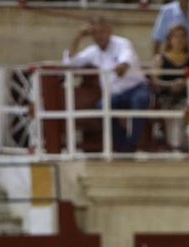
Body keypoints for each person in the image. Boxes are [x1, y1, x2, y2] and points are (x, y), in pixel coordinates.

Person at [63, 17, 152, 152]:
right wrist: (78, 37)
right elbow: (70, 63)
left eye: (102, 32)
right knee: (102, 107)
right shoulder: (93, 51)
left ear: (109, 31)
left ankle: (134, 142)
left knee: (140, 100)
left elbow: (126, 59)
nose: (99, 36)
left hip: (136, 88)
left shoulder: (123, 43)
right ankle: (123, 146)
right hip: (115, 94)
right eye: (95, 33)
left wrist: (122, 66)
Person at [150, 25, 189, 150]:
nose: (179, 40)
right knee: (175, 137)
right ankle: (172, 142)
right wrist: (170, 85)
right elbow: (154, 80)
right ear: (170, 39)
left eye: (183, 37)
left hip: (188, 96)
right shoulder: (160, 59)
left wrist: (185, 83)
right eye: (176, 36)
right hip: (167, 96)